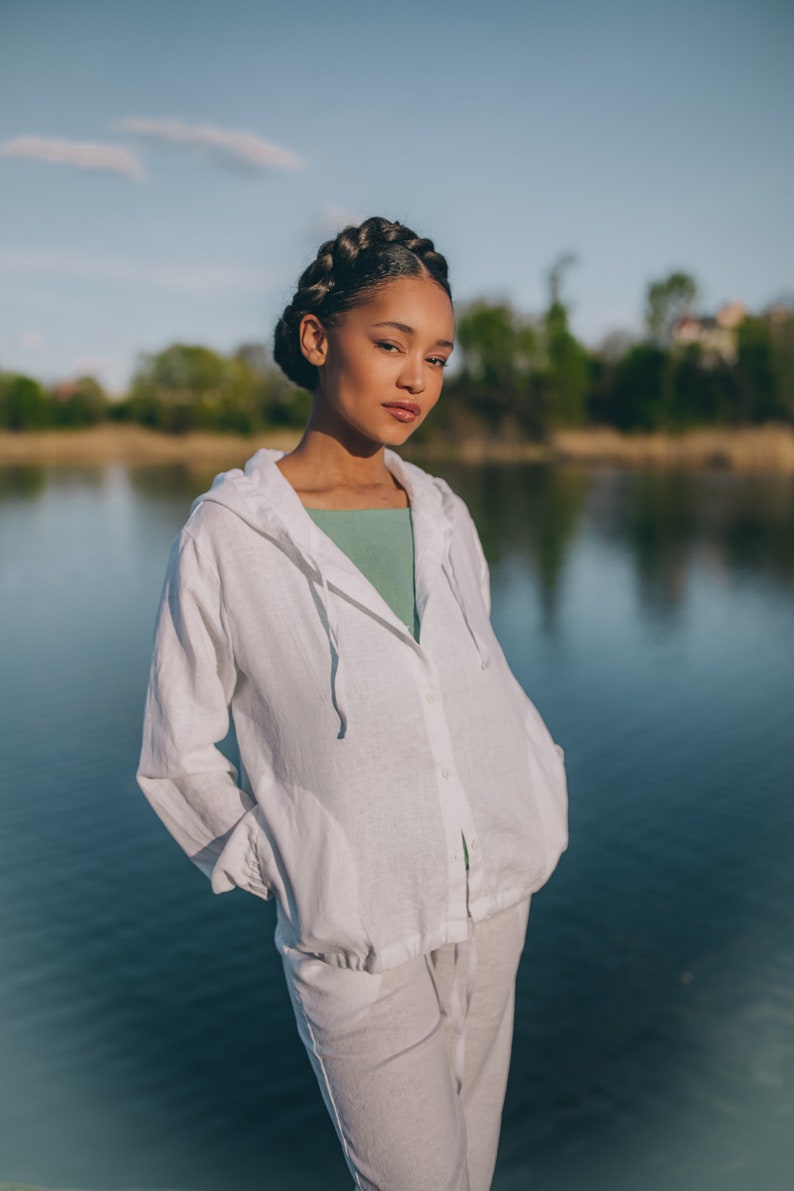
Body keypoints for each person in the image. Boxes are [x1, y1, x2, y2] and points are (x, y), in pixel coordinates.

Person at [136, 216, 568, 1191]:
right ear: (318, 338)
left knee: (473, 1173)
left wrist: (535, 782)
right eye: (390, 345)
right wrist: (291, 863)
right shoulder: (230, 534)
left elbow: (476, 674)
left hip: (494, 893)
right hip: (357, 932)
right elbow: (175, 750)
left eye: (437, 356)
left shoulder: (443, 513)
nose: (417, 377)